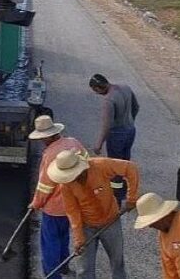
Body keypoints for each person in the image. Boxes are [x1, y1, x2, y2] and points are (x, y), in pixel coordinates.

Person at [47, 150, 139, 279]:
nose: (71, 178)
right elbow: (73, 212)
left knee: (117, 261)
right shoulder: (66, 186)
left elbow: (131, 168)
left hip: (111, 221)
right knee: (84, 269)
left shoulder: (100, 165)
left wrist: (131, 199)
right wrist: (79, 239)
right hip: (86, 226)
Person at [27, 116, 88, 279]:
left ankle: (52, 275)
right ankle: (64, 267)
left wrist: (36, 203)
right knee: (64, 236)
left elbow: (45, 185)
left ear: (48, 136)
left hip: (54, 208)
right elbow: (88, 163)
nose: (41, 141)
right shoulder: (73, 143)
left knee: (50, 242)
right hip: (73, 205)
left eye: (42, 138)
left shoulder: (50, 154)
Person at [89, 73, 139, 204]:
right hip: (130, 131)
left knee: (115, 166)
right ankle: (126, 188)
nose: (97, 94)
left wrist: (98, 145)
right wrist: (130, 121)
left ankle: (117, 195)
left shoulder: (108, 100)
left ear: (98, 88)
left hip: (117, 135)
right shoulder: (125, 88)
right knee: (125, 161)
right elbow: (136, 107)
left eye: (95, 91)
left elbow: (107, 125)